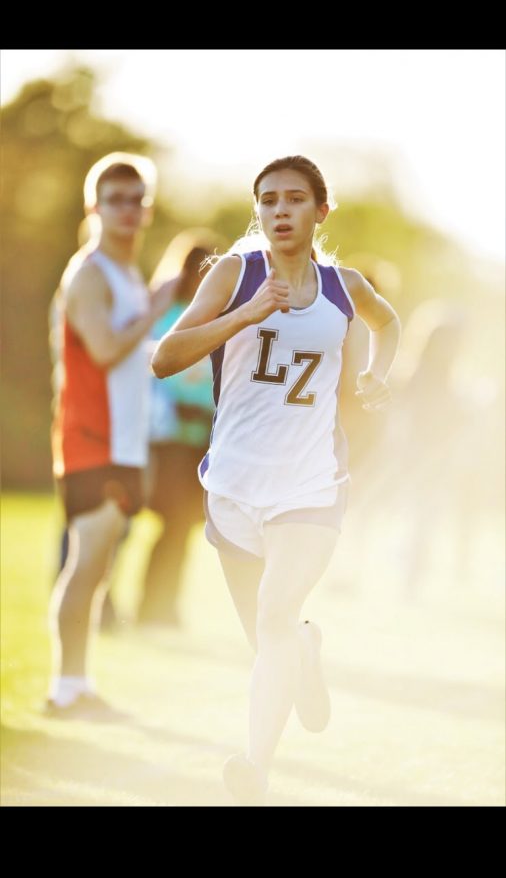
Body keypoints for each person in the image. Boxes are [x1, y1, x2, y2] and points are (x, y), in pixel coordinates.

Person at [152, 155, 401, 804]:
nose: (279, 211)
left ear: (322, 211)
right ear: (257, 211)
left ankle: (254, 768)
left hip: (311, 485)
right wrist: (245, 314)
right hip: (234, 485)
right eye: (267, 201)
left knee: (274, 615)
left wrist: (378, 372)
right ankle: (308, 654)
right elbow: (164, 357)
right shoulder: (236, 274)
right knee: (274, 639)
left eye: (294, 199)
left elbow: (388, 322)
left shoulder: (344, 287)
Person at [47, 152, 174, 717]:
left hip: (125, 440)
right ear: (94, 206)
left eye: (136, 199)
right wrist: (156, 309)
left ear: (146, 210)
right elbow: (102, 349)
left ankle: (80, 681)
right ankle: (64, 688)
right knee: (87, 562)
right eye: (115, 199)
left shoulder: (126, 274)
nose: (127, 209)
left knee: (100, 569)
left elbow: (128, 354)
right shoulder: (89, 272)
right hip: (89, 437)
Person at [138, 229, 224, 626]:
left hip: (200, 437)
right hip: (165, 435)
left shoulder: (216, 319)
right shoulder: (168, 313)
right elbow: (155, 367)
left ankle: (164, 605)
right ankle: (143, 605)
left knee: (183, 525)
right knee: (162, 520)